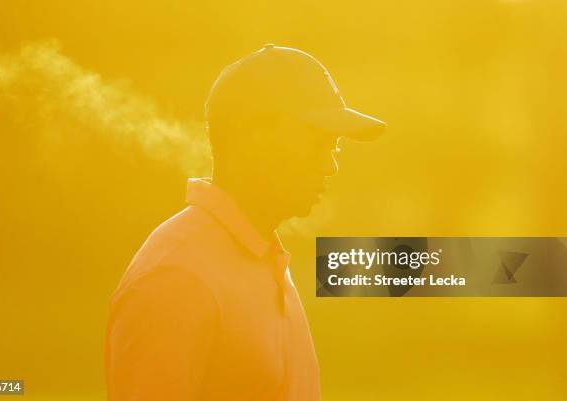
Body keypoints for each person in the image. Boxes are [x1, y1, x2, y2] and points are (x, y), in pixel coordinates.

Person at [104, 43, 385, 401]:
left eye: (334, 147)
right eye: (317, 143)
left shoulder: (266, 258)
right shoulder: (177, 276)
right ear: (253, 138)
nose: (331, 166)